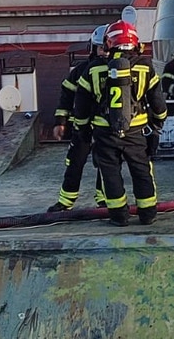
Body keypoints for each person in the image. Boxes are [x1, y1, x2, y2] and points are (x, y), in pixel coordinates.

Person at [83, 20, 167, 227]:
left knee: (110, 172)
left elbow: (82, 104)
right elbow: (157, 102)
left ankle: (119, 216)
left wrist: (82, 128)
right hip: (135, 131)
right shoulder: (145, 67)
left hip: (104, 132)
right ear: (135, 43)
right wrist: (158, 122)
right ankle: (148, 213)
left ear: (108, 44)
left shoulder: (94, 69)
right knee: (141, 170)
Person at [47, 24, 108, 212]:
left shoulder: (117, 70)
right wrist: (60, 122)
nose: (104, 53)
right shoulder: (81, 70)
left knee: (107, 165)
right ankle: (66, 201)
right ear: (93, 48)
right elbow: (66, 96)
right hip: (81, 128)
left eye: (107, 48)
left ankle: (105, 200)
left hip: (105, 127)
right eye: (101, 48)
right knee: (74, 163)